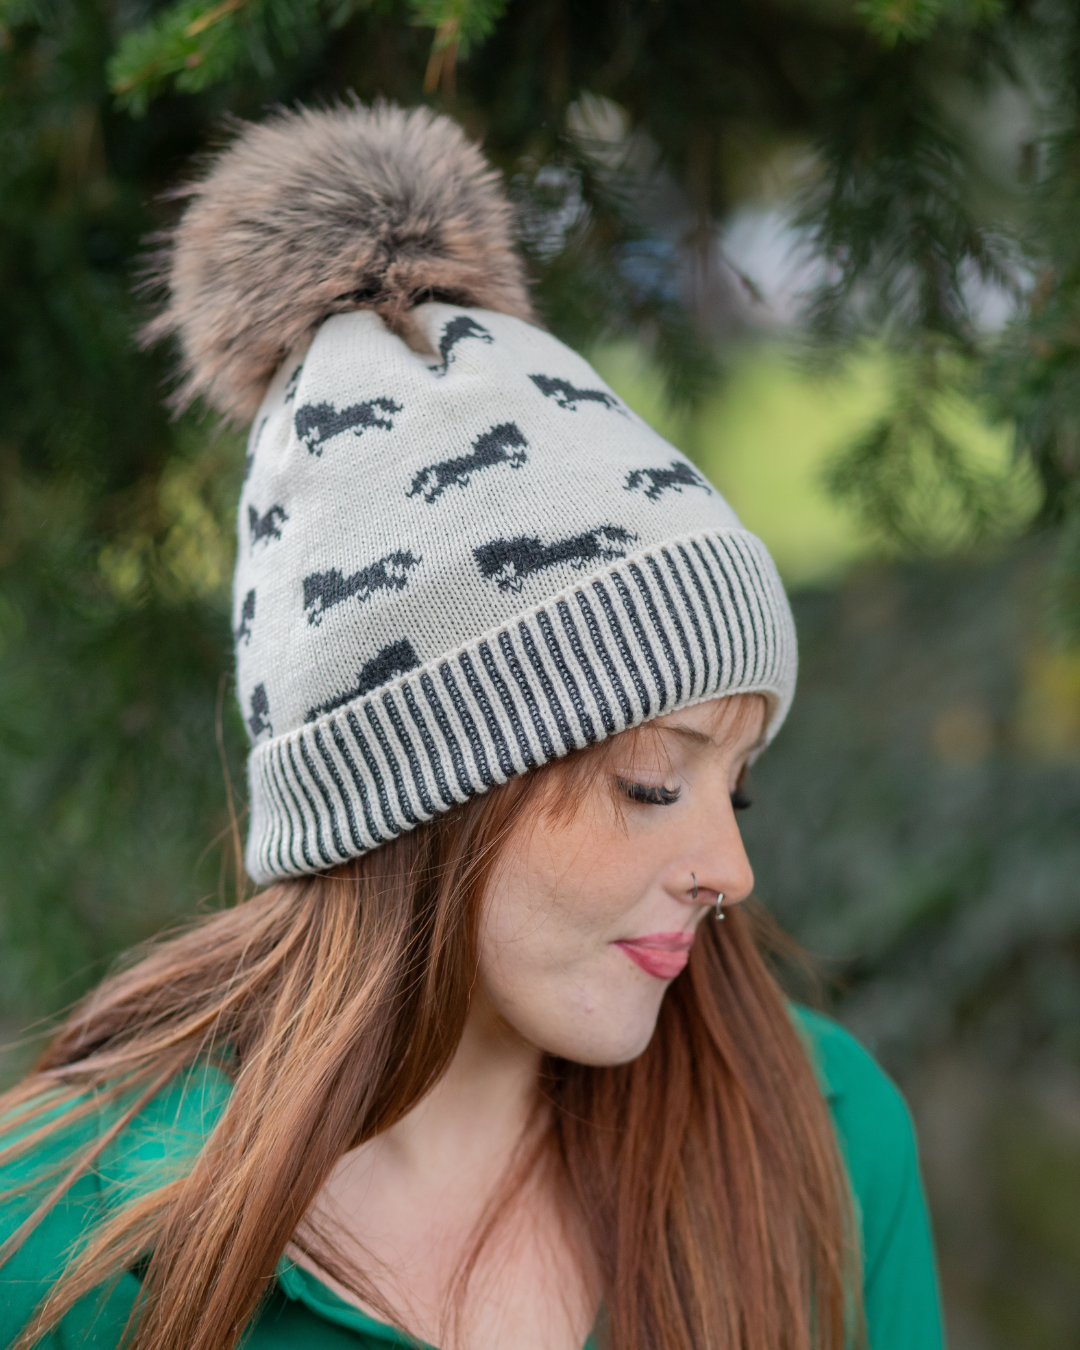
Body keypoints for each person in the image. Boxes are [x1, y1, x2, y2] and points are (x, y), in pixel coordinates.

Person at [0, 102, 943, 1350]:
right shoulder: (64, 1237)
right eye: (654, 781)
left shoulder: (823, 1134)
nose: (732, 871)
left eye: (739, 785)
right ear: (418, 790)